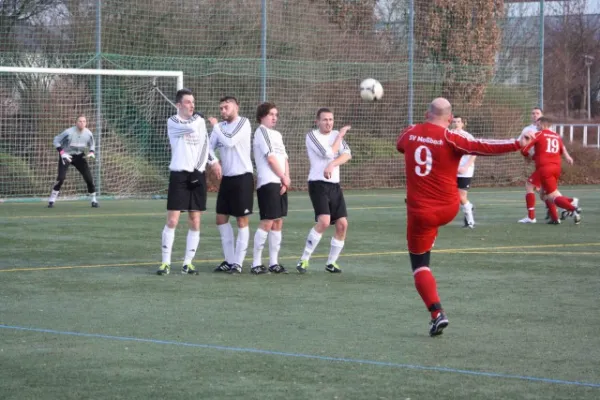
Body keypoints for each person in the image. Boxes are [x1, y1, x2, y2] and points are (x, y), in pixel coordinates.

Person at [396, 97, 525, 336]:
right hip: (449, 207)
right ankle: (444, 228)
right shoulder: (451, 137)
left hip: (421, 213)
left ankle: (437, 313)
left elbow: (401, 145)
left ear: (427, 114)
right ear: (449, 118)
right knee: (438, 219)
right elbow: (483, 146)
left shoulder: (411, 132)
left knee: (420, 265)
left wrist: (419, 135)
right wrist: (516, 143)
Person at [156, 88, 221, 276]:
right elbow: (192, 127)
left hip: (197, 174)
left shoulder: (199, 121)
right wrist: (199, 119)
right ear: (178, 105)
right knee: (173, 220)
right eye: (187, 102)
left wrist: (213, 161)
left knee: (195, 220)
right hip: (179, 175)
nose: (192, 105)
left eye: (193, 102)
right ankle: (165, 263)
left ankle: (188, 263)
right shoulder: (173, 121)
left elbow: (205, 144)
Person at [296, 108, 351, 274]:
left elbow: (347, 154)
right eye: (325, 119)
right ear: (317, 121)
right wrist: (340, 136)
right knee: (325, 222)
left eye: (331, 119)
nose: (329, 123)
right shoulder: (312, 136)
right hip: (317, 183)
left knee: (342, 225)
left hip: (334, 185)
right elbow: (328, 153)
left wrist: (333, 164)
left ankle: (331, 263)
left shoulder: (334, 134)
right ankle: (304, 260)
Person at [208, 96, 254, 274]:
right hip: (226, 178)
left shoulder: (244, 123)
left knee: (241, 220)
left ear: (236, 106)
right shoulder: (221, 128)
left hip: (243, 177)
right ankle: (228, 260)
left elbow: (229, 140)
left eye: (226, 107)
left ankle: (238, 263)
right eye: (221, 108)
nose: (223, 111)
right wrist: (214, 162)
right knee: (221, 218)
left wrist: (216, 126)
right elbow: (209, 148)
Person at [251, 102, 291, 274]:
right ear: (262, 117)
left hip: (280, 181)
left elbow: (284, 159)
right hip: (268, 182)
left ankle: (274, 262)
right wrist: (282, 177)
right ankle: (255, 263)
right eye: (271, 114)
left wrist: (286, 179)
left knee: (278, 221)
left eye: (276, 114)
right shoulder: (261, 132)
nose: (274, 117)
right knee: (267, 221)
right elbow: (271, 159)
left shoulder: (277, 135)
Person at [520, 117, 581, 224]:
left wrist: (526, 149)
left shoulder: (539, 134)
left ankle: (572, 206)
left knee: (548, 194)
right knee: (544, 193)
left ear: (543, 125)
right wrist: (567, 157)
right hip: (556, 168)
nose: (536, 127)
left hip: (545, 168)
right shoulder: (556, 136)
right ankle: (555, 218)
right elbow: (562, 149)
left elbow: (525, 149)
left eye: (538, 125)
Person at [48, 115, 98, 208]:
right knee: (61, 178)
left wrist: (91, 152)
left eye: (84, 121)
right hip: (66, 155)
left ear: (86, 123)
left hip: (79, 156)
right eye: (80, 121)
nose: (82, 123)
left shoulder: (88, 133)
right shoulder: (68, 132)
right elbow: (56, 141)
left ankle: (94, 200)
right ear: (76, 122)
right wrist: (62, 153)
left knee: (89, 179)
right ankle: (52, 200)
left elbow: (92, 144)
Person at [451, 116, 476, 228]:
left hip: (465, 170)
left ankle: (470, 220)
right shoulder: (448, 135)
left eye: (458, 122)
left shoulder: (468, 137)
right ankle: (469, 206)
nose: (456, 124)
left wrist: (465, 167)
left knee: (461, 197)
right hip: (451, 170)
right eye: (454, 122)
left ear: (463, 123)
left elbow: (474, 152)